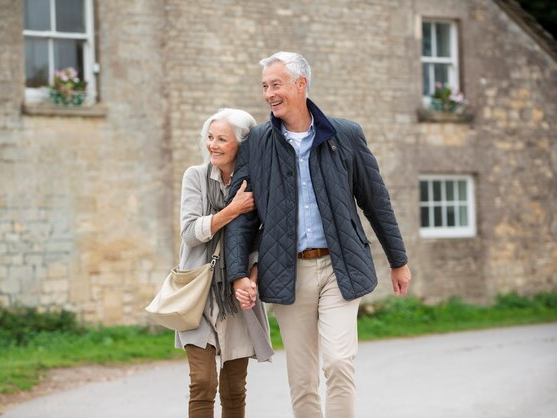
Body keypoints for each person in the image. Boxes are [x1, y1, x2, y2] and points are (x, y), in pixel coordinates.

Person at [226, 52, 411, 418]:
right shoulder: (258, 143)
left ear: (301, 84)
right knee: (303, 379)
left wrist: (398, 260)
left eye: (275, 84)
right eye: (264, 86)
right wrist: (236, 273)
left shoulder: (345, 135)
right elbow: (242, 216)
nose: (268, 94)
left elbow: (376, 201)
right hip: (287, 272)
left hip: (338, 266)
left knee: (340, 363)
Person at [176, 108, 274, 418]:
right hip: (198, 296)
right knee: (202, 383)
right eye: (209, 137)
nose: (212, 145)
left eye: (221, 139)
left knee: (234, 390)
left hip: (237, 295)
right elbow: (191, 233)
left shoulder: (258, 184)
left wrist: (252, 279)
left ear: (241, 145)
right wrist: (232, 210)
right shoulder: (195, 177)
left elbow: (262, 239)